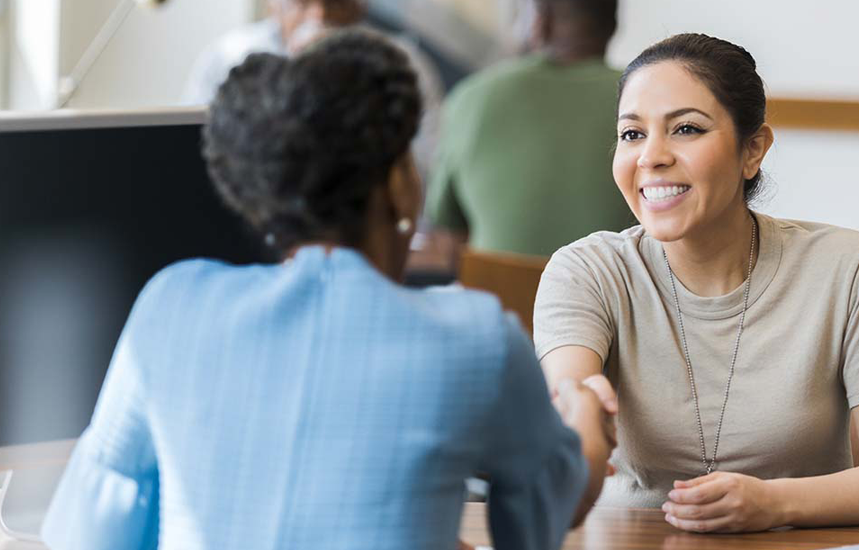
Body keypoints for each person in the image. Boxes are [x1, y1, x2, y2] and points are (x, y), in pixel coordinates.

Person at [41, 29, 614, 550]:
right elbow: (551, 503)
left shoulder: (170, 303)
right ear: (397, 183)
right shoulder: (475, 338)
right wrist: (586, 416)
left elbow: (92, 530)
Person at [534, 33, 859, 533]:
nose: (651, 156)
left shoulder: (849, 266)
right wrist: (580, 414)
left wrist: (774, 504)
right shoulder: (586, 270)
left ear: (753, 150)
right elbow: (571, 398)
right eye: (632, 134)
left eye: (685, 129)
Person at [424, 0, 633, 259]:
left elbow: (448, 233)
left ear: (539, 22)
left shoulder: (471, 98)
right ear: (612, 26)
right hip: (611, 296)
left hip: (499, 295)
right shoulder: (642, 97)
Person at [182, 0, 443, 183]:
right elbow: (192, 152)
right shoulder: (227, 58)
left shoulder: (403, 64)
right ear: (273, 5)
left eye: (335, 2)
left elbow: (429, 169)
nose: (319, 15)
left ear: (359, 6)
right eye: (303, 2)